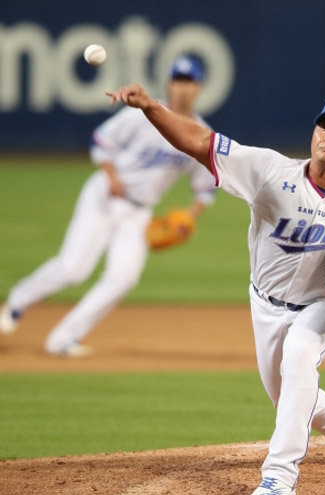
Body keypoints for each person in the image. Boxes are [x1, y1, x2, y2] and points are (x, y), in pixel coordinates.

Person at [105, 83, 325, 495]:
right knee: (286, 395)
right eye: (324, 127)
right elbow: (199, 142)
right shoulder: (271, 170)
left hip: (323, 306)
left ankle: (278, 476)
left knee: (300, 360)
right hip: (264, 303)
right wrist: (150, 108)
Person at [0, 55, 216, 356]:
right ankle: (16, 301)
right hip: (104, 196)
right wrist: (112, 175)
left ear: (199, 88)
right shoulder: (144, 113)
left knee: (124, 277)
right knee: (74, 268)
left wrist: (187, 218)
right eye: (178, 81)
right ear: (168, 84)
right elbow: (102, 140)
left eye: (189, 82)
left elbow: (205, 187)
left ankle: (63, 338)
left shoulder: (199, 132)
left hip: (139, 212)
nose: (182, 89)